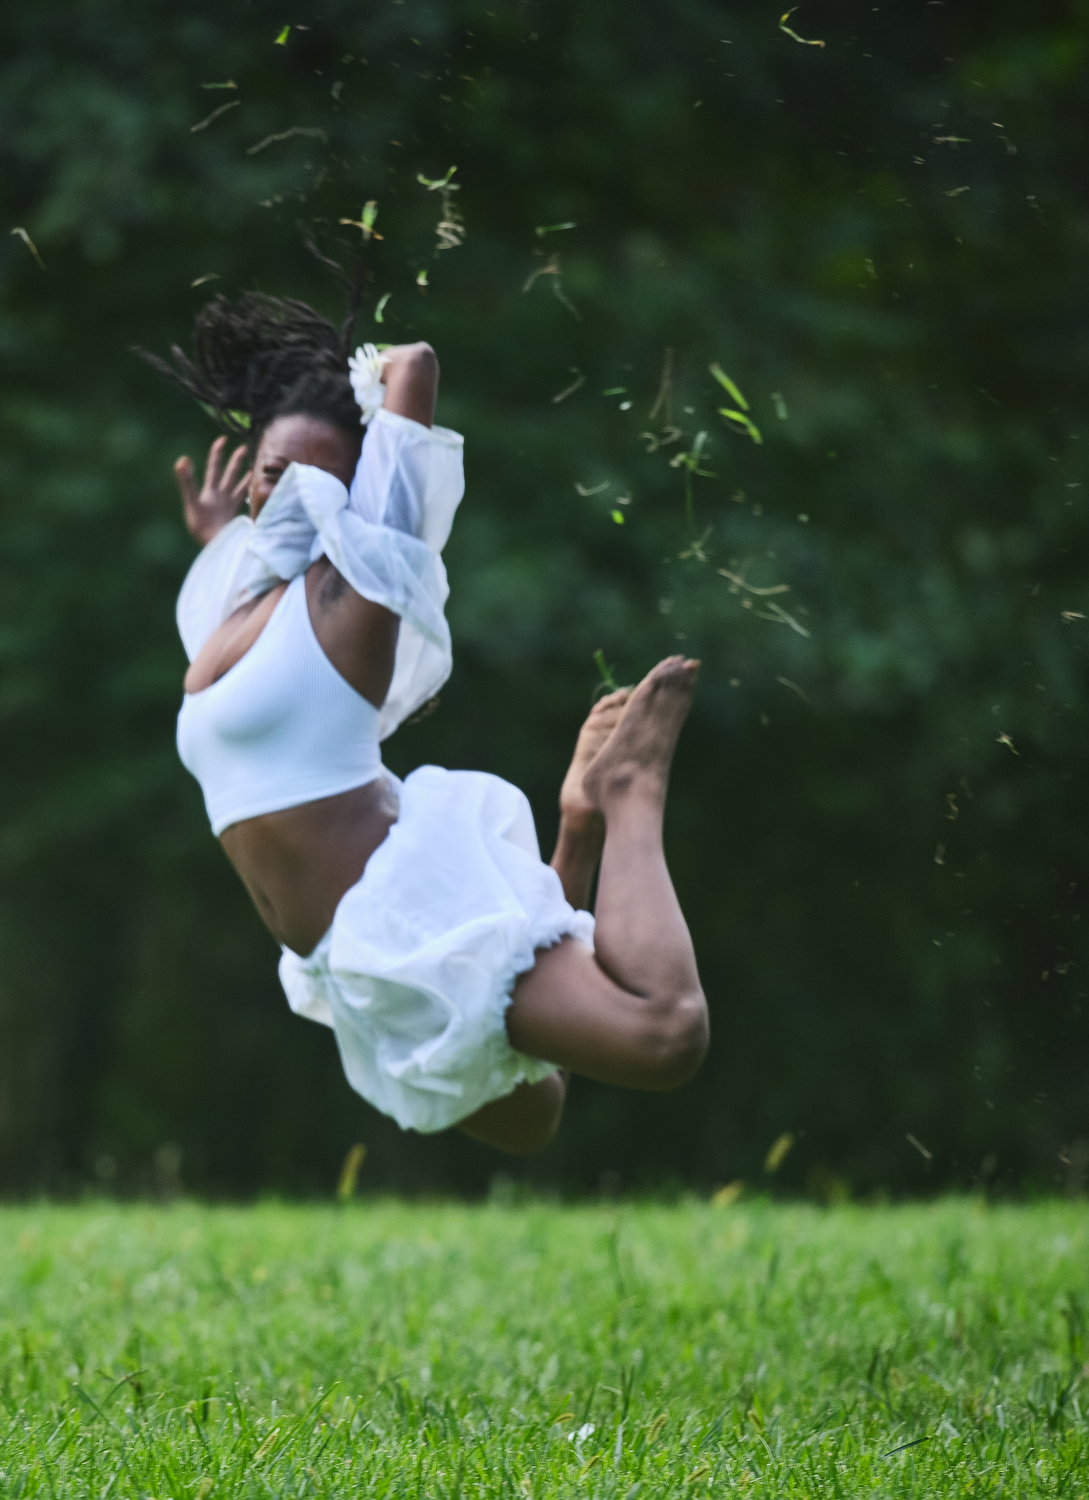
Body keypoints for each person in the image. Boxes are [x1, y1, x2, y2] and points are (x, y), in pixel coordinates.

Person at [144, 286, 708, 1154]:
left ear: (361, 492)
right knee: (532, 1113)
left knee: (664, 1038)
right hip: (342, 952)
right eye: (272, 470)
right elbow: (251, 539)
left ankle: (631, 790)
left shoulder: (356, 596)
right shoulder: (236, 595)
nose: (290, 489)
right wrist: (222, 523)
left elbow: (416, 367)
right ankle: (579, 824)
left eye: (317, 476)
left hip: (398, 903)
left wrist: (371, 383)